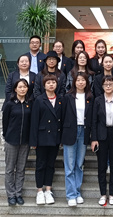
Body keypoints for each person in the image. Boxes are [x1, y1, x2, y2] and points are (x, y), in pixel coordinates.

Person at [30, 74, 63, 205]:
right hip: (42, 137)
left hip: (55, 137)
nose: (51, 85)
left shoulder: (60, 99)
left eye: (53, 82)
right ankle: (39, 190)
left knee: (51, 164)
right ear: (44, 85)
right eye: (48, 83)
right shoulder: (39, 100)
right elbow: (34, 121)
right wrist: (33, 141)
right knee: (40, 164)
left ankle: (48, 189)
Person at [62, 72, 93, 206]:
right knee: (70, 165)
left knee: (79, 165)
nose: (80, 82)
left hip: (84, 132)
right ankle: (71, 195)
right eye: (78, 80)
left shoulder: (90, 97)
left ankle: (77, 192)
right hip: (70, 131)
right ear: (74, 82)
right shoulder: (67, 97)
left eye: (83, 80)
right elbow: (62, 116)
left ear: (87, 82)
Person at [91, 75, 113, 206]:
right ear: (102, 86)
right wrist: (94, 139)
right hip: (101, 136)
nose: (108, 86)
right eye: (106, 84)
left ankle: (112, 194)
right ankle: (103, 194)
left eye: (110, 84)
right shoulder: (97, 100)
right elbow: (94, 121)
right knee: (102, 166)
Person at [2, 79, 33, 206]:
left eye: (24, 87)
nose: (22, 89)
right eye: (20, 87)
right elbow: (5, 122)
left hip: (25, 141)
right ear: (15, 89)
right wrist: (6, 136)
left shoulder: (30, 103)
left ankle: (18, 193)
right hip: (11, 140)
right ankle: (11, 195)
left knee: (21, 169)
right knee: (10, 169)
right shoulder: (9, 104)